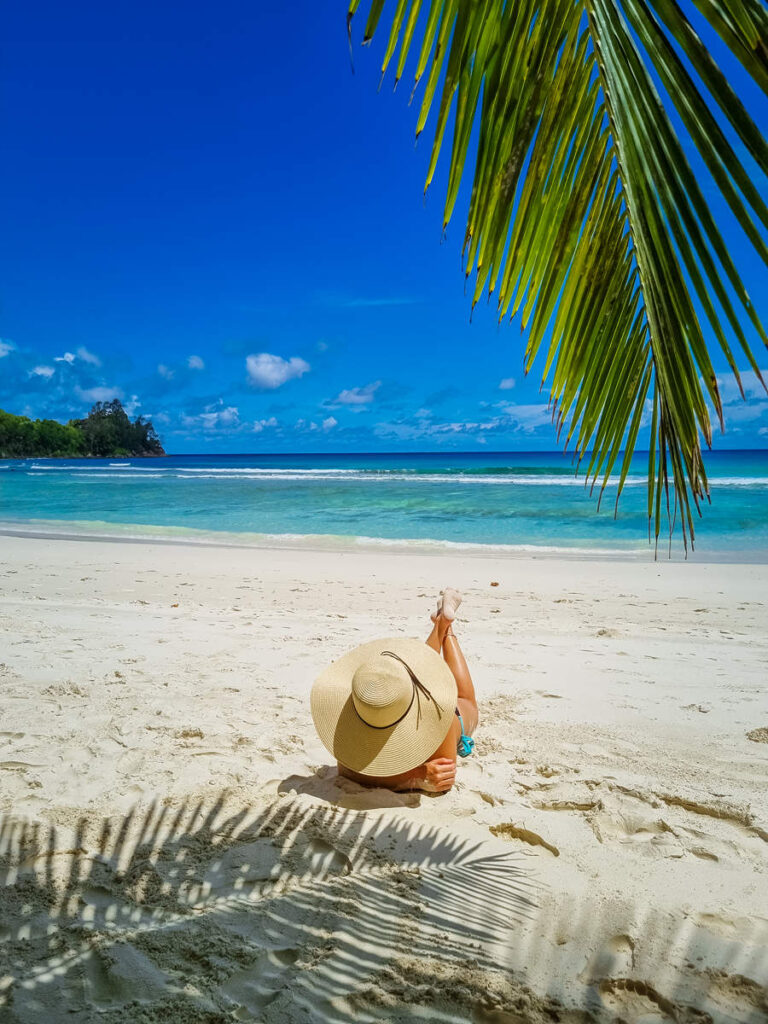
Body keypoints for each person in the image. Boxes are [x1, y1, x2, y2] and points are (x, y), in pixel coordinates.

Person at [310, 588, 478, 793]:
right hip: (410, 692)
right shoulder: (368, 698)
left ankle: (446, 628)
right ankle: (443, 624)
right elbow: (347, 772)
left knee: (464, 701)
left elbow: (443, 780)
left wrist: (417, 776)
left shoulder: (439, 717)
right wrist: (417, 776)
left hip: (441, 713)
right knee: (426, 676)